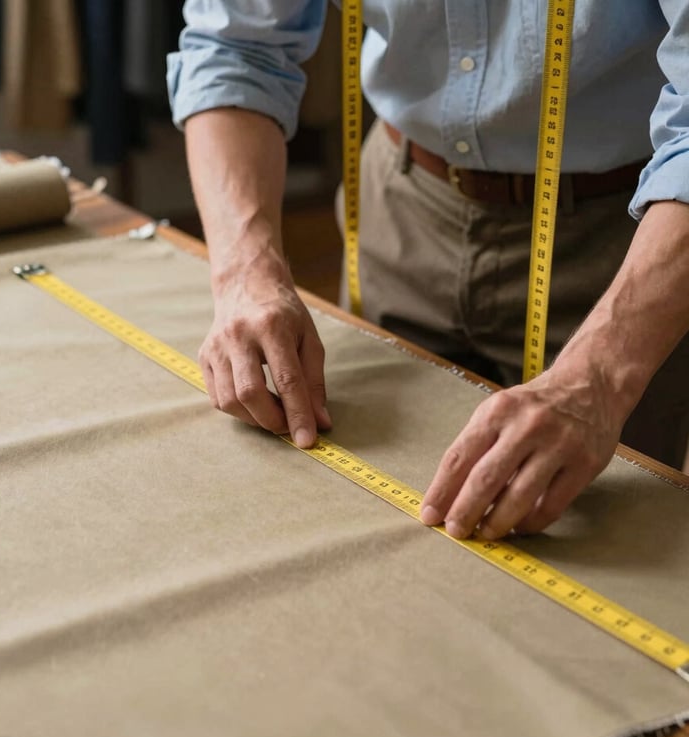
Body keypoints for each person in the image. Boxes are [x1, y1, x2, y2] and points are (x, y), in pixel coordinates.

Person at [167, 1, 689, 541]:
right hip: (400, 204)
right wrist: (245, 276)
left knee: (601, 553)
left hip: (629, 239)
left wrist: (599, 379)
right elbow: (235, 47)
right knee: (346, 521)